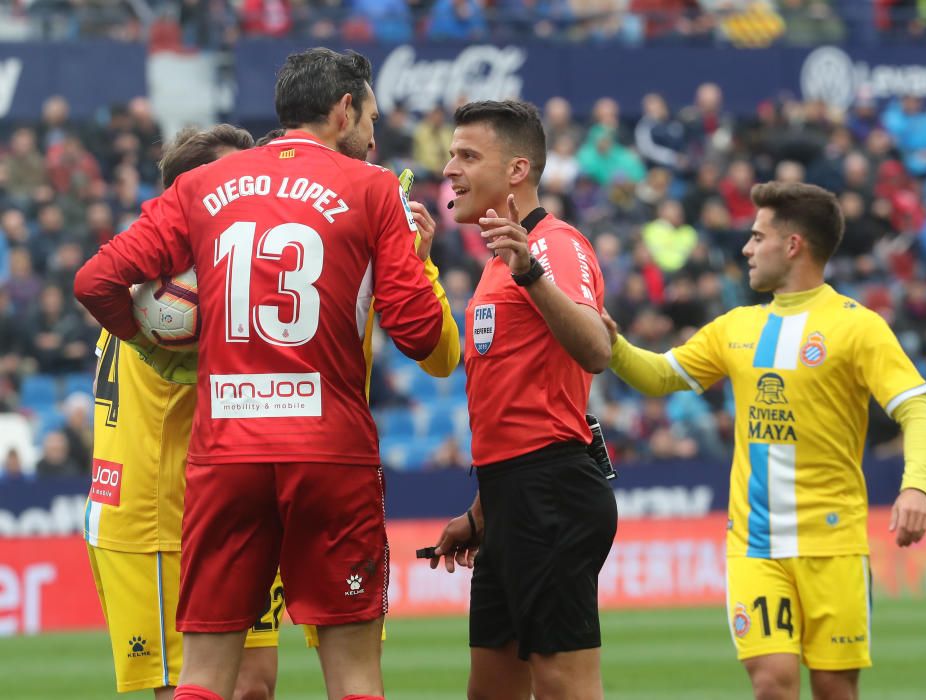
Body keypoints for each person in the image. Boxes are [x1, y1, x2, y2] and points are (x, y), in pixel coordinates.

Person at [76, 47, 459, 700]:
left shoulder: (201, 189)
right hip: (328, 454)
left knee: (211, 679)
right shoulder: (372, 189)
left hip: (227, 456)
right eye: (371, 117)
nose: (375, 133)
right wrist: (414, 262)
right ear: (343, 113)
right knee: (356, 676)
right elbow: (426, 339)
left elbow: (96, 280)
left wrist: (157, 344)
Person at [603, 182, 926, 700]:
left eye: (758, 236)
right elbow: (662, 376)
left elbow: (916, 408)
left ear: (793, 245)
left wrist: (915, 486)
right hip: (755, 544)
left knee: (834, 689)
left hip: (834, 544)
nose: (746, 248)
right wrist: (615, 345)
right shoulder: (736, 326)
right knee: (772, 684)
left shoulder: (858, 328)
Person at [85, 123, 290, 700]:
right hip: (152, 520)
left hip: (226, 513)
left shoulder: (221, 270)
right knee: (187, 692)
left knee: (255, 687)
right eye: (232, 176)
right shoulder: (171, 291)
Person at [430, 100, 617, 700]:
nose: (450, 169)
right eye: (451, 154)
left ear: (516, 171)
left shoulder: (554, 246)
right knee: (491, 688)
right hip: (510, 497)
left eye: (467, 156)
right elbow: (512, 410)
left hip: (553, 494)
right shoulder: (497, 260)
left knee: (563, 686)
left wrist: (531, 271)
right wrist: (480, 515)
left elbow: (596, 349)